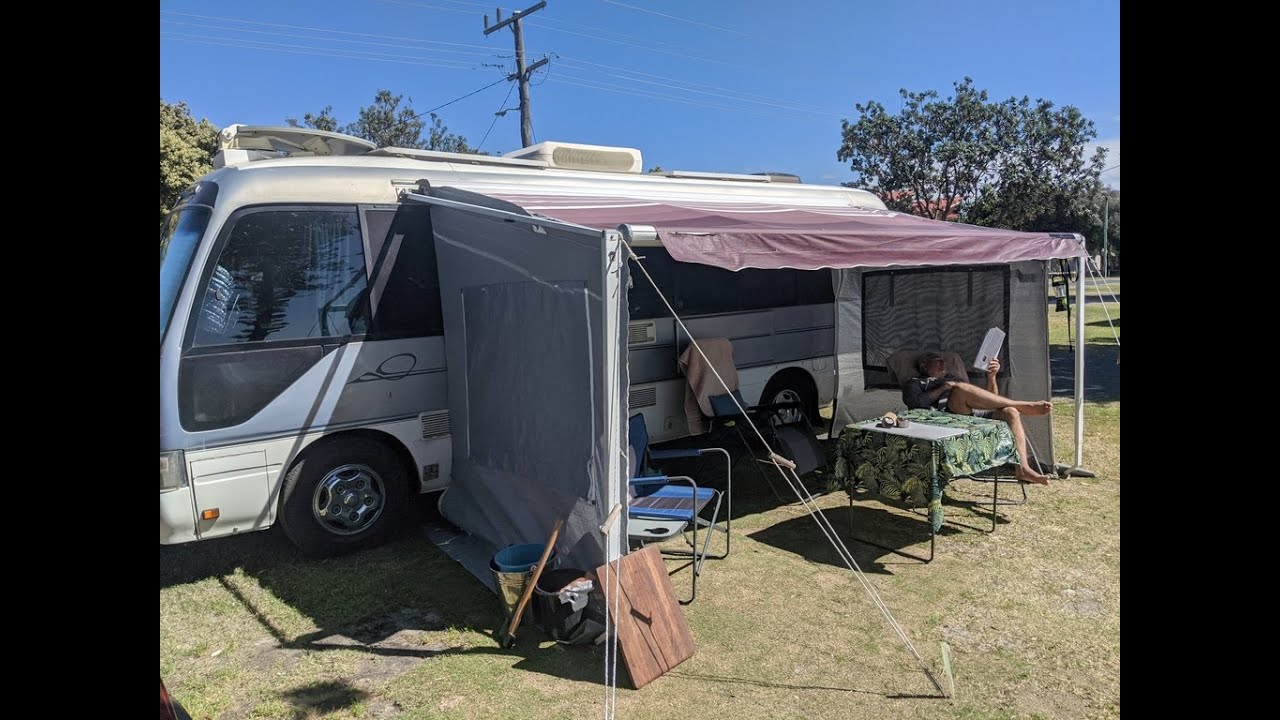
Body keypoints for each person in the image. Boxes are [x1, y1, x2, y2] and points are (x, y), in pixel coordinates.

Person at [902, 351, 1051, 484]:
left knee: (1011, 412)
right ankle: (1022, 405)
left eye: (943, 360)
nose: (943, 362)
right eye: (937, 359)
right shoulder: (915, 382)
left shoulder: (955, 378)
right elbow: (915, 402)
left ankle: (1023, 469)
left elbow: (991, 401)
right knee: (960, 389)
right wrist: (944, 387)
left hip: (970, 415)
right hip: (945, 417)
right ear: (924, 366)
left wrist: (991, 377)